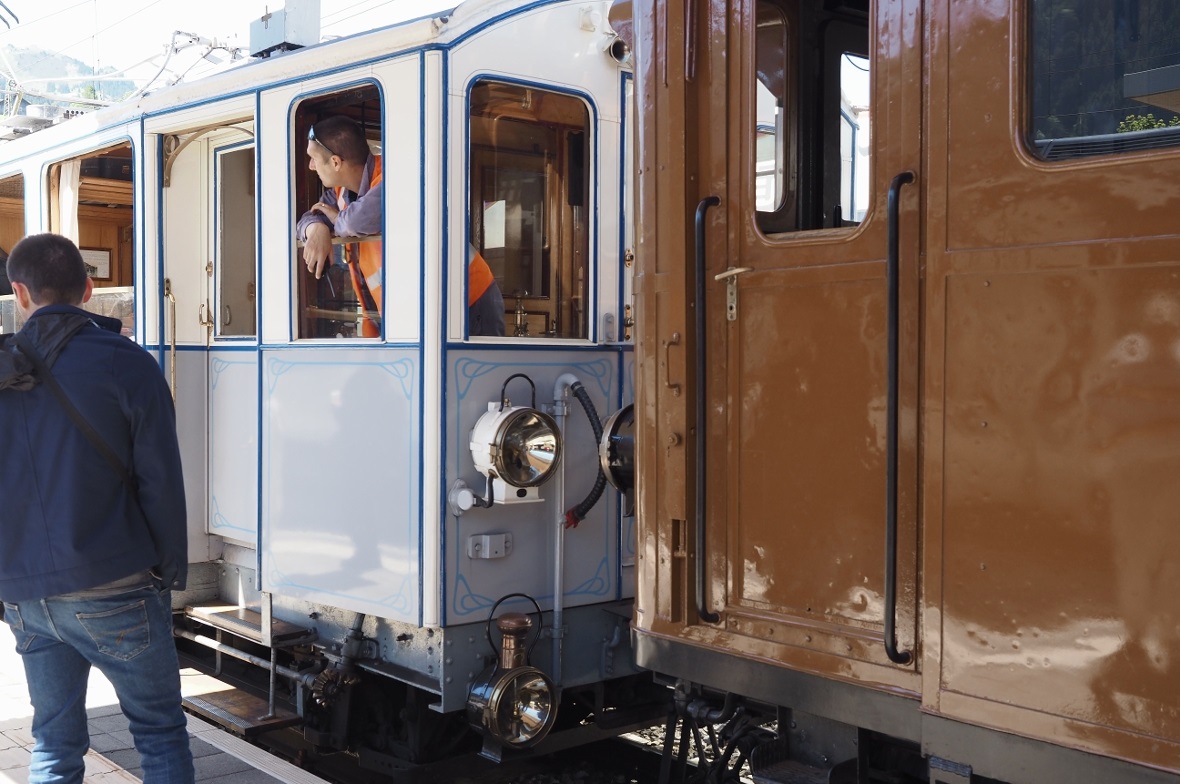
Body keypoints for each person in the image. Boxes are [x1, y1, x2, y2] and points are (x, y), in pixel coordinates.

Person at [0, 233, 194, 784]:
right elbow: (161, 481)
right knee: (158, 732)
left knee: (53, 742)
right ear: (89, 289)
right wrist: (167, 571)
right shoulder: (127, 363)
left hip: (26, 594)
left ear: (20, 293)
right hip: (117, 583)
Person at [296, 115, 505, 336]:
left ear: (336, 162)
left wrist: (337, 221)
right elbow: (307, 219)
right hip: (416, 308)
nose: (310, 166)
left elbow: (356, 221)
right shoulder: (339, 193)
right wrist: (316, 229)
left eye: (314, 158)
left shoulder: (395, 175)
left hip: (469, 300)